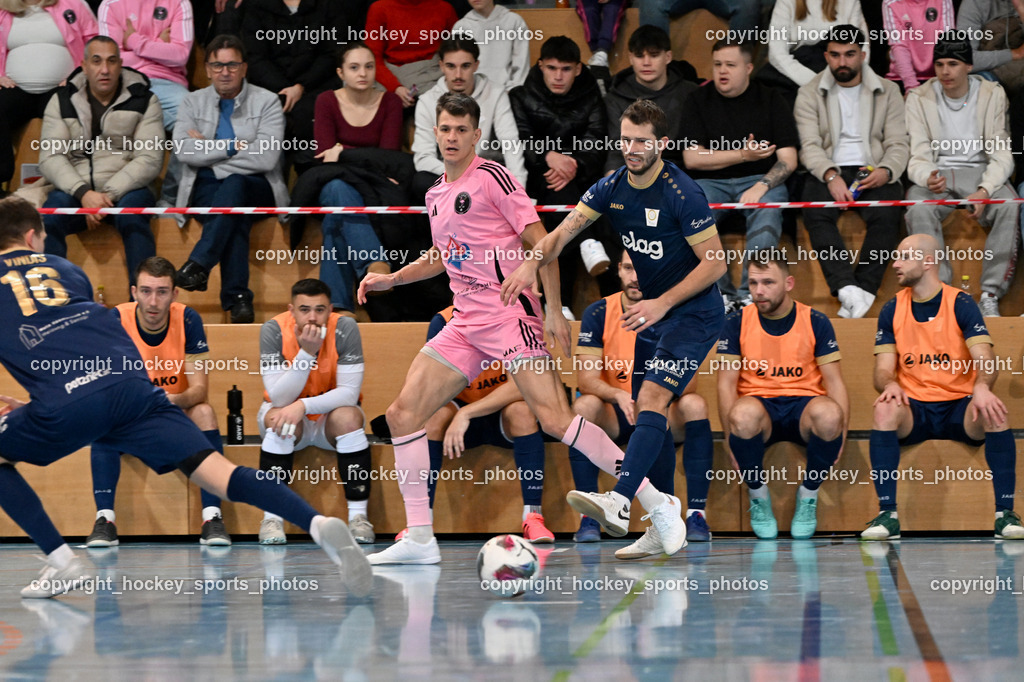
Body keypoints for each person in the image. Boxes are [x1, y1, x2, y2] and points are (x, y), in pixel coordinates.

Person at [358, 93, 686, 565]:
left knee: (556, 420)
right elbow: (442, 255)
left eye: (461, 130)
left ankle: (657, 503)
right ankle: (420, 539)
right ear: (434, 132)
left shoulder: (493, 177)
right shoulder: (435, 194)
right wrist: (393, 278)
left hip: (511, 314)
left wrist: (552, 311)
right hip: (465, 320)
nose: (452, 137)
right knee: (403, 415)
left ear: (477, 134)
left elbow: (543, 244)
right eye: (445, 129)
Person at [0, 195, 372, 599]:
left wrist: (46, 401)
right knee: (221, 475)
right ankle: (318, 524)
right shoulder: (66, 270)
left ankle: (63, 561)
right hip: (132, 388)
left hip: (69, 398)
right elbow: (75, 336)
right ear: (33, 237)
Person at [499, 98, 728, 558]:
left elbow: (716, 263)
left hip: (693, 313)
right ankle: (662, 521)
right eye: (625, 139)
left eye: (642, 141)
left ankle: (621, 500)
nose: (632, 148)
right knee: (648, 413)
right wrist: (530, 264)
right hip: (653, 314)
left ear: (662, 144)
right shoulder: (611, 186)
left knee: (652, 397)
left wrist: (662, 302)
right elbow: (560, 235)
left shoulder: (683, 193)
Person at [862, 233, 1024, 541]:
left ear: (928, 261)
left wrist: (982, 386)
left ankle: (1005, 515)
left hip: (959, 407)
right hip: (915, 409)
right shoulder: (892, 308)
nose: (895, 263)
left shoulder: (960, 302)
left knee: (994, 410)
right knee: (884, 408)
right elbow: (882, 370)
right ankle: (887, 515)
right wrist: (890, 384)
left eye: (904, 256)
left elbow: (985, 358)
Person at [569, 250, 715, 548]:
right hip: (617, 412)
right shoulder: (599, 312)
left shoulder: (672, 308)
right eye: (627, 268)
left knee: (694, 404)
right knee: (584, 406)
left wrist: (653, 397)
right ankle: (589, 519)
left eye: (640, 268)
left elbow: (689, 383)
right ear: (618, 271)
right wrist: (619, 394)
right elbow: (586, 379)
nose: (635, 277)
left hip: (659, 411)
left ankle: (696, 514)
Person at [86, 257, 231, 548]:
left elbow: (199, 390)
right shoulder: (116, 319)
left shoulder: (188, 319)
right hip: (131, 413)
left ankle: (212, 518)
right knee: (100, 417)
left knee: (204, 412)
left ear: (174, 293)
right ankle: (104, 520)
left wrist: (173, 400)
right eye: (146, 291)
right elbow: (107, 387)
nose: (153, 301)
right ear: (134, 292)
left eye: (162, 292)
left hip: (174, 409)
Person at [717, 252, 848, 539]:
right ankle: (758, 495)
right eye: (753, 283)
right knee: (742, 415)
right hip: (760, 407)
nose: (759, 291)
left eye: (768, 282)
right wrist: (729, 436)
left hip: (804, 406)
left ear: (788, 283)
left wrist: (842, 432)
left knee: (830, 415)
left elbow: (835, 382)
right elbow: (725, 384)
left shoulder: (815, 320)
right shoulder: (736, 322)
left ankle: (808, 495)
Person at [172, 34, 289, 324]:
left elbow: (266, 158)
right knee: (234, 215)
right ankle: (238, 300)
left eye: (232, 65)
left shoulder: (267, 101)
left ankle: (200, 263)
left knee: (235, 185)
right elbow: (184, 150)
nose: (225, 72)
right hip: (206, 187)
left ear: (244, 68)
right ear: (208, 69)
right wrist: (232, 146)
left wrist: (209, 152)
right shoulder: (191, 102)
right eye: (218, 65)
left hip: (257, 185)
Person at [795, 25, 908, 319]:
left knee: (888, 210)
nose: (842, 62)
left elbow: (898, 144)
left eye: (849, 54)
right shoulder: (808, 92)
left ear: (863, 54)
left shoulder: (888, 90)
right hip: (828, 169)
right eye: (835, 55)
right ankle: (846, 287)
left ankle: (863, 291)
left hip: (874, 167)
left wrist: (886, 170)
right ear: (826, 56)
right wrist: (830, 175)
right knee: (814, 209)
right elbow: (809, 147)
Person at [416, 304, 555, 543]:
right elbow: (434, 383)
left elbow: (519, 385)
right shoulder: (443, 321)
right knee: (432, 418)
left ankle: (533, 517)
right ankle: (420, 523)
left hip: (498, 410)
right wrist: (461, 412)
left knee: (523, 412)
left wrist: (467, 413)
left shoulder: (516, 319)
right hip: (458, 410)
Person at [904, 32, 1018, 318]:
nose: (945, 71)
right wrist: (927, 176)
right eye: (940, 64)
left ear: (969, 66)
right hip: (939, 173)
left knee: (1009, 203)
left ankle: (990, 294)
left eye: (953, 64)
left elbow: (1002, 153)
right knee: (917, 205)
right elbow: (917, 155)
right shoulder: (918, 97)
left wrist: (985, 189)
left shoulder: (992, 93)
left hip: (981, 171)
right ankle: (939, 293)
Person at [681, 38, 800, 312]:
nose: (722, 71)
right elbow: (692, 158)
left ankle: (749, 295)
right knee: (691, 211)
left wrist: (762, 185)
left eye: (730, 65)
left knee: (767, 210)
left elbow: (788, 160)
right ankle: (720, 294)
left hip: (761, 179)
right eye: (717, 64)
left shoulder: (772, 99)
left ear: (748, 68)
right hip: (710, 182)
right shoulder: (697, 99)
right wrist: (743, 155)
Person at [256, 278, 374, 544]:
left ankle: (358, 517)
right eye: (304, 309)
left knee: (349, 416)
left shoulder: (345, 328)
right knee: (278, 418)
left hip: (327, 420)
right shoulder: (273, 329)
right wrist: (307, 354)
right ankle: (272, 518)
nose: (312, 317)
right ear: (291, 310)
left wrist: (303, 405)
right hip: (288, 418)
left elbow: (349, 394)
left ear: (330, 309)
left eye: (320, 310)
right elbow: (279, 397)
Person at [40, 35, 162, 287]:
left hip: (126, 189)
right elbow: (51, 156)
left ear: (121, 65)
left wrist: (105, 196)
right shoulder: (61, 100)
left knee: (133, 216)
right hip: (77, 188)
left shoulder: (145, 100)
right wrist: (84, 193)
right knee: (50, 216)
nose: (104, 69)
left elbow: (149, 158)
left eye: (111, 61)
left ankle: (142, 301)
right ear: (84, 66)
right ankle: (56, 299)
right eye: (96, 61)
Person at [508, 35, 613, 309]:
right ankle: (588, 242)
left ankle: (562, 306)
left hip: (581, 177)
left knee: (568, 198)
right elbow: (519, 141)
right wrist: (548, 156)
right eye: (552, 68)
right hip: (537, 178)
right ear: (540, 65)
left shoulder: (592, 95)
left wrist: (573, 164)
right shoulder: (520, 96)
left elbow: (597, 142)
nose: (558, 76)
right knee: (559, 192)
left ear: (578, 69)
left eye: (566, 69)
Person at [312, 41, 401, 314]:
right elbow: (325, 156)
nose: (362, 73)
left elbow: (388, 157)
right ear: (340, 72)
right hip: (334, 184)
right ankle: (373, 262)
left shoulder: (390, 102)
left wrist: (343, 152)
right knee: (337, 188)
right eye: (354, 67)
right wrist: (364, 157)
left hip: (374, 188)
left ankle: (339, 310)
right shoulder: (326, 101)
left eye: (369, 66)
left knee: (335, 220)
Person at [97, 0, 193, 205]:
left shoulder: (179, 3)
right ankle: (120, 195)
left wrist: (133, 41)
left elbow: (180, 56)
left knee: (193, 119)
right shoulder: (109, 5)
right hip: (125, 82)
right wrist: (158, 45)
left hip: (168, 83)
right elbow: (109, 61)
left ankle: (170, 200)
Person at [0, 0, 98, 188]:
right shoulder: (2, 10)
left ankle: (78, 184)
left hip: (63, 87)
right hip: (15, 89)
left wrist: (79, 75)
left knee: (76, 109)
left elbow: (94, 43)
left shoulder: (73, 5)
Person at [412, 36, 526, 196]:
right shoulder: (427, 101)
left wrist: (518, 191)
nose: (458, 75)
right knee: (421, 181)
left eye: (465, 66)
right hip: (448, 174)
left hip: (487, 173)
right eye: (451, 66)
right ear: (441, 66)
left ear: (476, 65)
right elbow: (423, 157)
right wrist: (463, 174)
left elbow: (510, 143)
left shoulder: (495, 93)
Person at [240, 0, 343, 172]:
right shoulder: (256, 6)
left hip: (315, 85)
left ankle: (311, 177)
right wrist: (285, 89)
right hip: (271, 87)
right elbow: (255, 57)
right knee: (269, 116)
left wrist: (301, 86)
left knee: (311, 115)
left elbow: (331, 54)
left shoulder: (327, 6)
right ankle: (271, 179)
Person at [603, 25, 697, 174]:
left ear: (668, 57)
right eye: (639, 56)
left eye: (654, 55)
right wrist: (615, 182)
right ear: (631, 58)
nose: (646, 62)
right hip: (635, 173)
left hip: (684, 174)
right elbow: (616, 151)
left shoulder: (690, 93)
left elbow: (697, 149)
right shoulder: (614, 98)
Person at [761, 0, 869, 101]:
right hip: (796, 70)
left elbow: (861, 47)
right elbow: (777, 53)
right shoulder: (786, 2)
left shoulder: (850, 2)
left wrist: (849, 80)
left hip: (838, 68)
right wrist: (816, 83)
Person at [364, 0, 457, 108]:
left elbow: (458, 50)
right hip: (392, 71)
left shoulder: (444, 8)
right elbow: (372, 58)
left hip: (430, 72)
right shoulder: (380, 8)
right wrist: (395, 87)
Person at [452, 0, 529, 91]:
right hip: (472, 91)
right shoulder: (461, 26)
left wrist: (512, 90)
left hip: (507, 91)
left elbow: (521, 64)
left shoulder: (514, 21)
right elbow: (456, 65)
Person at [882, 0, 955, 92]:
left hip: (938, 77)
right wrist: (911, 87)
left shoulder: (944, 1)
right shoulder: (890, 3)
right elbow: (899, 47)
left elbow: (947, 42)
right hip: (902, 78)